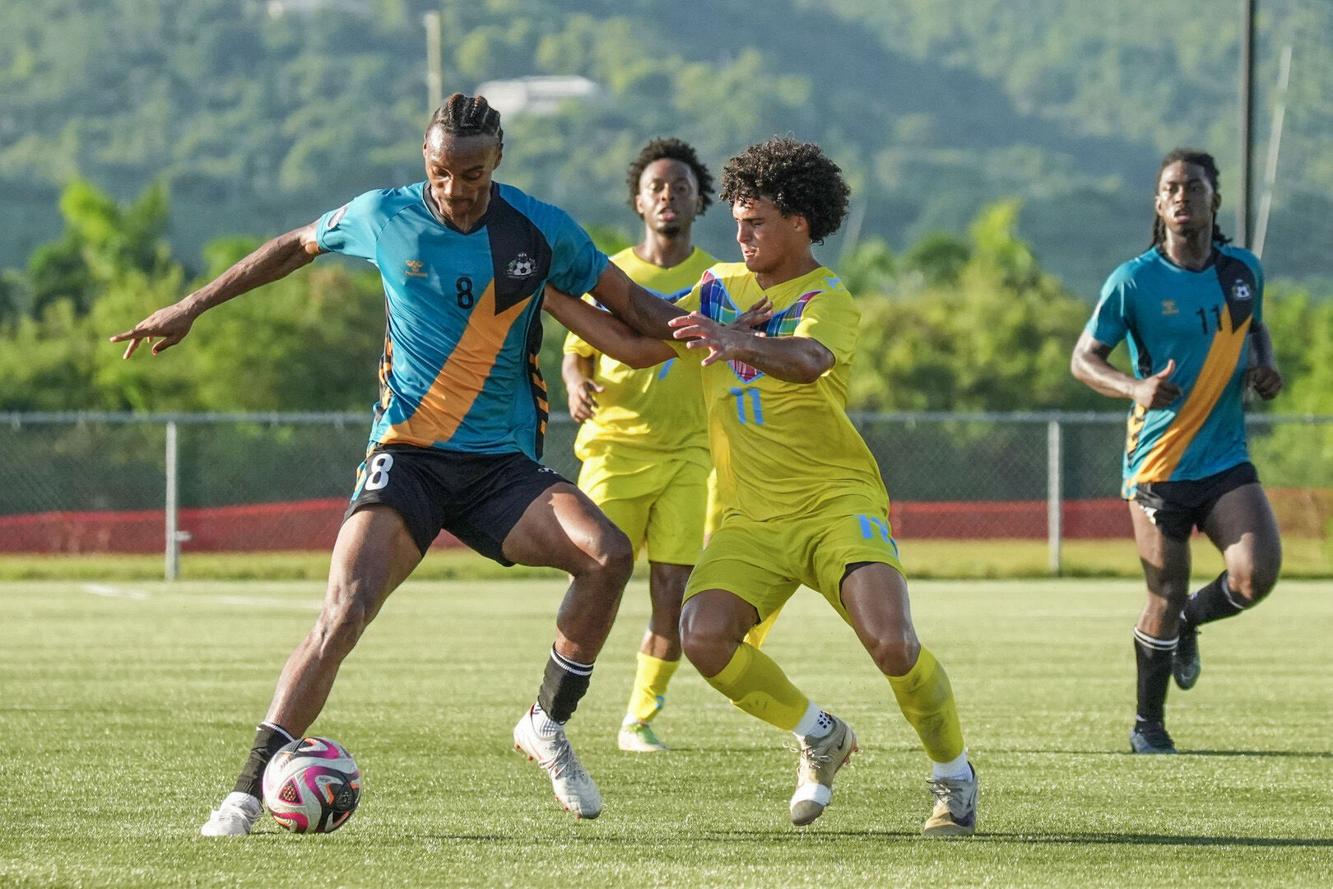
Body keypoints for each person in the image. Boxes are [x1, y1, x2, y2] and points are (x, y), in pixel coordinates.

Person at [111, 93, 693, 832]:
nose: (456, 189)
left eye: (473, 174)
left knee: (607, 553)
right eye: (442, 172)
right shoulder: (383, 214)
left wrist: (729, 330)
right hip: (407, 457)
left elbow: (634, 307)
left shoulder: (541, 230)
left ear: (497, 162)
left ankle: (545, 722)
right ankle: (245, 793)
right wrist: (192, 305)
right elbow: (292, 246)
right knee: (344, 612)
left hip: (499, 466)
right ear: (426, 159)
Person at [544, 137, 978, 835]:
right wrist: (546, 289)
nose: (740, 236)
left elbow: (807, 359)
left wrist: (737, 340)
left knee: (893, 643)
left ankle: (953, 776)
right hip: (752, 518)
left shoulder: (827, 296)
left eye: (756, 223)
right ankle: (820, 734)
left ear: (799, 224)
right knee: (702, 635)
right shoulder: (717, 287)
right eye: (738, 223)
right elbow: (632, 339)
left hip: (836, 505)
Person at [1070, 148, 1283, 755]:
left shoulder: (1243, 270)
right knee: (1163, 592)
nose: (1182, 195)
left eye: (1194, 186)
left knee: (1255, 574)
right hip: (1157, 463)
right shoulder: (1133, 280)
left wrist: (1265, 365)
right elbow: (1083, 359)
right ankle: (1148, 726)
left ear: (1215, 199)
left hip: (1224, 457)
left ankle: (1193, 618)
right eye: (1171, 188)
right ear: (1159, 205)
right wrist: (1135, 387)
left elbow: (1254, 326)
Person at [561, 138, 719, 753]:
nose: (668, 195)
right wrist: (576, 384)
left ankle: (639, 718)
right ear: (638, 201)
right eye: (657, 187)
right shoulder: (611, 273)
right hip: (614, 451)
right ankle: (552, 710)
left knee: (672, 594)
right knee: (595, 575)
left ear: (699, 200)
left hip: (687, 455)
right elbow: (577, 352)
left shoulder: (717, 279)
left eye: (681, 186)